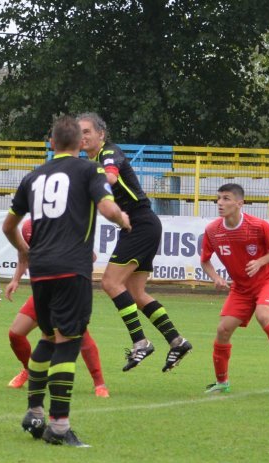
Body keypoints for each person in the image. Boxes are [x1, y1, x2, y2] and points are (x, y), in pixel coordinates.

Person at [2, 115, 131, 448]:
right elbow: (106, 207)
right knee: (68, 342)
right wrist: (123, 217)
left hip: (41, 270)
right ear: (79, 144)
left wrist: (25, 251)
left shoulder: (32, 177)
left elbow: (8, 227)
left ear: (51, 143)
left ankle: (34, 411)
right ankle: (59, 425)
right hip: (72, 267)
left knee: (47, 338)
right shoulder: (90, 170)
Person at [78, 113, 192, 373]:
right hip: (142, 225)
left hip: (139, 224)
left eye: (87, 131)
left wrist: (87, 186)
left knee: (110, 282)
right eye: (78, 132)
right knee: (137, 294)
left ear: (101, 135)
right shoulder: (91, 162)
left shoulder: (108, 152)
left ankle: (140, 341)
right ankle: (177, 341)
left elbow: (110, 178)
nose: (82, 136)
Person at [199, 183, 269, 395]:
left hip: (268, 281)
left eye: (226, 198)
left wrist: (261, 261)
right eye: (219, 198)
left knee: (264, 316)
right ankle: (222, 382)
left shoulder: (257, 225)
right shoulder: (212, 231)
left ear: (239, 203)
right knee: (223, 330)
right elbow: (205, 261)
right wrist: (215, 277)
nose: (220, 203)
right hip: (241, 289)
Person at [5, 219, 108, 398]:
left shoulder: (65, 229)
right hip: (42, 292)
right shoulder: (28, 227)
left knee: (81, 336)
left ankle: (99, 384)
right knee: (15, 333)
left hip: (67, 292)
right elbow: (24, 255)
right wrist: (15, 280)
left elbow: (91, 257)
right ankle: (29, 370)